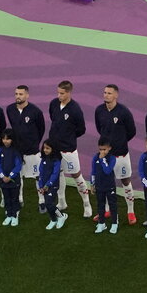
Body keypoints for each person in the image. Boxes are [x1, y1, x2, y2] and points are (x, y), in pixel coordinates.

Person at [46, 80, 94, 220]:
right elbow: (53, 119)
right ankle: (62, 202)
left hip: (68, 149)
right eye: (58, 93)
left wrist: (68, 137)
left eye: (62, 93)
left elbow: (81, 129)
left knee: (76, 175)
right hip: (54, 148)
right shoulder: (54, 104)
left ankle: (86, 204)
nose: (59, 96)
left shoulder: (75, 109)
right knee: (58, 174)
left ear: (68, 93)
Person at [95, 85, 136, 223]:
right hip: (106, 155)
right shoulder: (99, 110)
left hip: (121, 155)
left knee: (125, 181)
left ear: (116, 95)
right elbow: (99, 128)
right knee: (106, 182)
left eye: (109, 93)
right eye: (105, 92)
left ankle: (131, 211)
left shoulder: (124, 112)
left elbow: (132, 131)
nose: (106, 95)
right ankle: (106, 210)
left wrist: (120, 142)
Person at [0, 132, 24, 226]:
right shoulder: (0, 149)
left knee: (14, 198)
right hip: (3, 179)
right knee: (6, 198)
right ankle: (8, 214)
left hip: (14, 180)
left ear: (12, 139)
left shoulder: (16, 150)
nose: (5, 141)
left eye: (8, 139)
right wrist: (2, 176)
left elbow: (18, 165)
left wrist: (10, 176)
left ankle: (15, 215)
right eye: (3, 139)